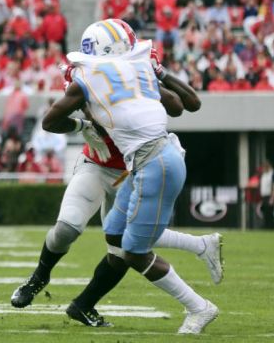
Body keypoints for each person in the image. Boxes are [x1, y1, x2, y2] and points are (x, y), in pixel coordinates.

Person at [22, 19, 218, 334]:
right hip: (133, 161)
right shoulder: (131, 71)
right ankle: (199, 245)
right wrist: (84, 125)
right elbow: (181, 107)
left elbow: (183, 106)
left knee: (133, 251)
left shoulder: (99, 75)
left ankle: (199, 307)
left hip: (148, 161)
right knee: (115, 234)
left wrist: (155, 74)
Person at [259, 160, 274, 229]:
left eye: (264, 167)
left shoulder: (273, 174)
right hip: (265, 196)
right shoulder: (264, 174)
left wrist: (272, 198)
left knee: (269, 213)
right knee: (266, 213)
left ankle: (271, 227)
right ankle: (267, 227)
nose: (263, 169)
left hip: (270, 196)